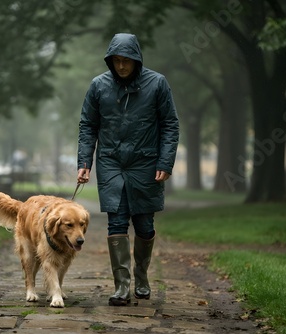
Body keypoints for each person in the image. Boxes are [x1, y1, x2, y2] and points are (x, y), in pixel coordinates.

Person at [77, 33, 180, 306]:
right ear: (110, 61)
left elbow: (170, 124)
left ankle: (142, 278)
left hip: (146, 163)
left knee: (145, 225)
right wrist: (84, 163)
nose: (122, 66)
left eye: (127, 61)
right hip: (111, 162)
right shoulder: (99, 86)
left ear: (137, 59)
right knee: (117, 221)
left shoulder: (157, 84)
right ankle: (121, 287)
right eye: (117, 61)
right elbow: (88, 125)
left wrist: (165, 162)